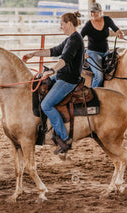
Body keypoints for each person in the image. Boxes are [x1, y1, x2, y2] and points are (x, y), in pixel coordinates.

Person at [22, 12, 84, 154]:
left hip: (68, 80)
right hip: (62, 76)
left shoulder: (74, 40)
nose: (60, 27)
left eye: (62, 24)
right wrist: (34, 54)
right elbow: (53, 51)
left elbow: (64, 59)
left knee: (46, 105)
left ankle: (64, 138)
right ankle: (43, 127)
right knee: (38, 82)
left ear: (69, 24)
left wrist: (51, 70)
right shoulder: (70, 39)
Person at [81, 2, 124, 87]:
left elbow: (116, 29)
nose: (93, 14)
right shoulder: (88, 25)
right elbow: (78, 39)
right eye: (91, 12)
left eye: (95, 11)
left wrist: (120, 33)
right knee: (99, 77)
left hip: (106, 52)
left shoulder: (107, 19)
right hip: (93, 53)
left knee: (118, 68)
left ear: (100, 12)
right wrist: (83, 52)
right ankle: (94, 96)